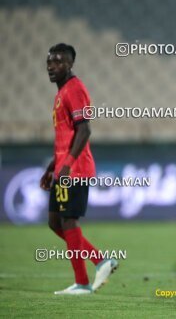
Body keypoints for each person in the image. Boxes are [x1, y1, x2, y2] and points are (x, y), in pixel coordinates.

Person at [40, 43, 118, 295]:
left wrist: (68, 165)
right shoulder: (61, 92)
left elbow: (84, 130)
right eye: (50, 61)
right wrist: (52, 167)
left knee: (68, 219)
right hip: (63, 168)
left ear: (71, 64)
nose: (53, 66)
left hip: (76, 169)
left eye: (59, 61)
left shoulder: (75, 89)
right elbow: (65, 137)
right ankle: (100, 261)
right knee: (55, 222)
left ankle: (83, 281)